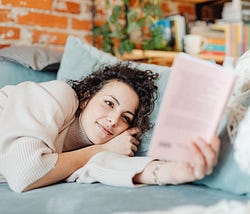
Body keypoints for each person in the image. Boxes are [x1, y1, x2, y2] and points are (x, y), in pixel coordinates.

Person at [0, 62, 220, 193]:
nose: (114, 121)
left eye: (126, 117)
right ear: (86, 98)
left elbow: (105, 167)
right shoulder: (60, 95)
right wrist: (102, 149)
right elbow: (24, 174)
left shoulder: (80, 155)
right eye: (109, 103)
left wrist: (176, 171)